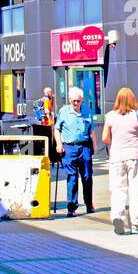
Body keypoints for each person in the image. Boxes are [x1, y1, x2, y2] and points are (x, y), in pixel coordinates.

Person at [102, 87, 138, 235]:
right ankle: (136, 223)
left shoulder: (110, 116)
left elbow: (105, 138)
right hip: (134, 156)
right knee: (136, 189)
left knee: (118, 190)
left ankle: (118, 217)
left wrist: (115, 141)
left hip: (116, 157)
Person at [54, 86, 95, 217]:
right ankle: (71, 207)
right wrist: (59, 144)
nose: (76, 103)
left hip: (85, 147)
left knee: (87, 176)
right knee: (72, 176)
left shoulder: (87, 111)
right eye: (74, 101)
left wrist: (94, 146)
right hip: (69, 147)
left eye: (78, 101)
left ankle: (89, 204)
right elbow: (57, 129)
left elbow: (91, 130)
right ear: (69, 100)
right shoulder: (63, 111)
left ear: (82, 100)